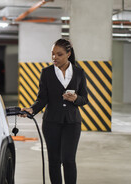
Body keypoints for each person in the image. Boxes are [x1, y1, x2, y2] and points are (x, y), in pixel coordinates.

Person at [21, 38, 88, 184]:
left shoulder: (79, 73)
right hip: (51, 122)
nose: (54, 58)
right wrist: (31, 109)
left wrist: (76, 98)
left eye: (59, 54)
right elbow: (42, 99)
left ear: (68, 54)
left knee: (69, 160)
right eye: (52, 54)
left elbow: (85, 99)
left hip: (72, 122)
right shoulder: (46, 73)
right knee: (54, 160)